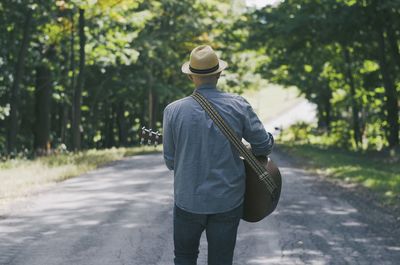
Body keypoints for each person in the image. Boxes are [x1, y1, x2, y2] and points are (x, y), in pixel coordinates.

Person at [162, 45, 274, 265]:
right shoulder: (238, 105)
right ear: (219, 73)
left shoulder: (173, 111)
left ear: (191, 76)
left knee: (184, 258)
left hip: (188, 200)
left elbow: (170, 161)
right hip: (227, 201)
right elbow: (262, 147)